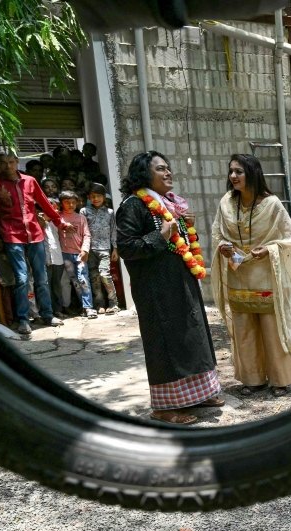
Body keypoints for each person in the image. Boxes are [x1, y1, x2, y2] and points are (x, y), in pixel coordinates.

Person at [116, 151, 223, 425]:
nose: (168, 173)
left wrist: (187, 229)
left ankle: (200, 392)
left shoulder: (168, 203)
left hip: (180, 280)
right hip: (156, 289)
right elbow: (127, 248)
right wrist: (161, 234)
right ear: (144, 174)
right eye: (160, 169)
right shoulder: (133, 205)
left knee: (191, 333)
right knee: (166, 342)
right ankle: (164, 408)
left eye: (168, 168)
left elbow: (180, 242)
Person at [211, 154, 291, 397]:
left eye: (238, 171)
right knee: (244, 330)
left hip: (266, 275)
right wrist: (224, 247)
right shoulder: (227, 203)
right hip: (238, 274)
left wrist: (270, 249)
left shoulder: (272, 204)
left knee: (272, 330)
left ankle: (281, 380)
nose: (233, 176)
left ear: (252, 173)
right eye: (231, 171)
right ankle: (253, 379)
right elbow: (218, 234)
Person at [0, 146, 63, 335]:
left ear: (16, 162)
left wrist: (59, 221)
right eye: (3, 163)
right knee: (21, 278)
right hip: (11, 234)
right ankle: (23, 318)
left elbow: (44, 203)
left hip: (35, 233)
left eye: (11, 162)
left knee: (41, 276)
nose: (8, 166)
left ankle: (47, 314)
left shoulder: (30, 181)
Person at [57, 191, 96, 319]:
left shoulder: (81, 218)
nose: (71, 205)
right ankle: (83, 306)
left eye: (74, 202)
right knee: (75, 282)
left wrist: (85, 250)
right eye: (67, 202)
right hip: (65, 254)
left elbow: (87, 235)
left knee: (83, 280)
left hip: (79, 254)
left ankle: (88, 307)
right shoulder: (58, 218)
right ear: (62, 203)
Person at [83, 184, 118, 314]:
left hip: (104, 250)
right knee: (94, 277)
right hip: (90, 250)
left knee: (105, 275)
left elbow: (113, 231)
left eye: (98, 196)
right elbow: (83, 230)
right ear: (88, 198)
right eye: (92, 196)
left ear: (104, 197)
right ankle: (99, 304)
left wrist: (115, 249)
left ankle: (113, 302)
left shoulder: (109, 213)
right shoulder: (84, 211)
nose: (96, 199)